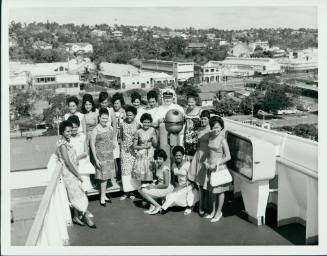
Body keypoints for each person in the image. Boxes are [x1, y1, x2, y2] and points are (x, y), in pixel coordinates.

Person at [55, 120, 95, 228]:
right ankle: (86, 217)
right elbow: (67, 162)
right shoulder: (62, 144)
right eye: (67, 131)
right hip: (69, 174)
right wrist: (77, 174)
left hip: (73, 170)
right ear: (62, 132)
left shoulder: (67, 141)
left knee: (79, 194)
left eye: (70, 131)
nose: (69, 133)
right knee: (76, 196)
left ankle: (76, 217)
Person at [203, 116, 231, 223]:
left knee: (219, 191)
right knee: (212, 192)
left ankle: (219, 212)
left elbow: (228, 157)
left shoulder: (223, 140)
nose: (216, 129)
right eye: (213, 127)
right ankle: (213, 211)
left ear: (221, 127)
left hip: (219, 168)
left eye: (218, 127)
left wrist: (216, 164)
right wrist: (206, 162)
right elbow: (209, 153)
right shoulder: (211, 137)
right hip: (210, 168)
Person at [90, 108, 116, 206]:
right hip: (100, 156)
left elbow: (113, 138)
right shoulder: (95, 130)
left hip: (109, 154)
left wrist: (113, 145)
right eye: (103, 118)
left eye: (106, 118)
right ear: (99, 118)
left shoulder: (109, 128)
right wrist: (95, 159)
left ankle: (104, 195)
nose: (104, 120)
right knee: (102, 177)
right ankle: (102, 197)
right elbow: (92, 145)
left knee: (106, 177)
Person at [161, 146, 199, 215]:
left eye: (180, 155)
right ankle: (166, 206)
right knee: (170, 196)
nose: (178, 157)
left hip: (189, 185)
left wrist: (180, 187)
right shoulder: (173, 165)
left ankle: (163, 208)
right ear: (174, 156)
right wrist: (177, 186)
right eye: (176, 155)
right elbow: (175, 178)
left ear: (183, 156)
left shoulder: (188, 164)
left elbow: (192, 180)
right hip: (179, 185)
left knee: (175, 196)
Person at [188, 110, 212, 216]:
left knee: (205, 184)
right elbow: (195, 143)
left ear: (209, 119)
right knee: (199, 184)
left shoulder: (211, 131)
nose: (203, 121)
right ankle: (200, 204)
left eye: (205, 119)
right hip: (198, 156)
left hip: (206, 157)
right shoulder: (199, 129)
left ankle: (205, 206)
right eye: (202, 119)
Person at [138, 149, 174, 215]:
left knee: (141, 191)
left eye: (160, 159)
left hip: (165, 189)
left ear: (164, 159)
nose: (158, 160)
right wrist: (150, 185)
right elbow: (159, 179)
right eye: (157, 158)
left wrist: (153, 186)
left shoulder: (165, 169)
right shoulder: (158, 167)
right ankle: (152, 206)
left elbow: (166, 184)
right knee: (141, 188)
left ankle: (157, 205)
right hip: (159, 186)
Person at [67, 115, 95, 192]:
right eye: (72, 127)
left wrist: (77, 158)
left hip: (83, 163)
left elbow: (86, 152)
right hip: (72, 164)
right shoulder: (67, 139)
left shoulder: (82, 136)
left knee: (84, 186)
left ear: (78, 126)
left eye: (76, 127)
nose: (74, 129)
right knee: (75, 187)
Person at [120, 105, 140, 200]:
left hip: (134, 150)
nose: (128, 117)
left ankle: (132, 191)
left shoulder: (137, 124)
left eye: (131, 115)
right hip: (124, 150)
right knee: (125, 170)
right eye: (127, 115)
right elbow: (121, 136)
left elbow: (139, 138)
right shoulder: (122, 123)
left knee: (133, 170)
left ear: (135, 115)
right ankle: (126, 192)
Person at [132, 113, 157, 182]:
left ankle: (150, 189)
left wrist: (154, 138)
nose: (146, 124)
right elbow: (134, 146)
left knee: (150, 171)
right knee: (143, 174)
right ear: (142, 122)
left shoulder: (152, 130)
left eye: (148, 122)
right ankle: (142, 189)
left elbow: (155, 144)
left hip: (150, 153)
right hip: (141, 154)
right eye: (145, 122)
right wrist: (144, 147)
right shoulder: (138, 131)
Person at [109, 93, 126, 183]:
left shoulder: (124, 112)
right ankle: (116, 175)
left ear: (121, 103)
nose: (116, 105)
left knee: (122, 156)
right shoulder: (111, 111)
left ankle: (122, 175)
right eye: (115, 103)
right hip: (114, 136)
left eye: (118, 103)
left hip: (123, 136)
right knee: (115, 156)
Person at [184, 91, 202, 161]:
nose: (190, 104)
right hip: (188, 139)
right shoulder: (186, 110)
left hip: (197, 139)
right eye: (189, 102)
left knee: (197, 158)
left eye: (192, 102)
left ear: (196, 101)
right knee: (188, 159)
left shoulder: (200, 111)